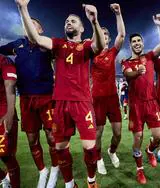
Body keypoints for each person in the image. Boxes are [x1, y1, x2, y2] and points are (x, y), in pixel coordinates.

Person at [16, 0, 105, 187]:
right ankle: (70, 183)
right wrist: (23, 8)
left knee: (90, 147)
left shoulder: (87, 45)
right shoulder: (58, 44)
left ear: (81, 28)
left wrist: (94, 21)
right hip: (61, 103)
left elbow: (100, 46)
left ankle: (91, 180)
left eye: (73, 21)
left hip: (82, 103)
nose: (68, 23)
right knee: (60, 148)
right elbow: (36, 39)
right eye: (66, 21)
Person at [0, 18, 59, 188]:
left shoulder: (47, 44)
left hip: (47, 97)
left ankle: (55, 170)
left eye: (33, 24)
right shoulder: (17, 44)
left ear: (40, 29)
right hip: (26, 99)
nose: (28, 25)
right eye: (26, 24)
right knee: (32, 139)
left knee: (51, 137)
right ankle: (42, 171)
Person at [121, 14, 160, 184]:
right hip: (136, 106)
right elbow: (127, 75)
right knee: (137, 137)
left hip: (151, 103)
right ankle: (140, 169)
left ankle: (150, 150)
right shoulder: (125, 61)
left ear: (142, 43)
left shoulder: (149, 57)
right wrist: (136, 72)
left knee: (158, 136)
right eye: (134, 42)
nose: (137, 43)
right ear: (130, 44)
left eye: (139, 41)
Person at [91, 3, 125, 175]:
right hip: (97, 98)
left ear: (109, 39)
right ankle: (98, 159)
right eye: (100, 34)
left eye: (105, 35)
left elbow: (122, 34)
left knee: (118, 133)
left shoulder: (112, 52)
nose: (103, 37)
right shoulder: (90, 53)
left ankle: (112, 151)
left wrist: (118, 14)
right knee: (98, 133)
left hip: (112, 98)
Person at [0, 55, 20, 187]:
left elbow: (10, 86)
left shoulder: (3, 61)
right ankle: (4, 177)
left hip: (2, 112)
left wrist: (10, 114)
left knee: (6, 155)